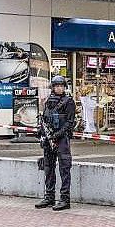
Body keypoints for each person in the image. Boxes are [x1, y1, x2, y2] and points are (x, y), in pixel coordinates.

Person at [35, 75, 75, 211]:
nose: (59, 88)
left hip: (61, 140)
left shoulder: (68, 101)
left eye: (61, 86)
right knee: (48, 168)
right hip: (48, 139)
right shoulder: (48, 100)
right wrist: (41, 132)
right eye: (56, 86)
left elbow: (70, 123)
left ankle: (65, 199)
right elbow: (45, 119)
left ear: (64, 87)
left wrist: (57, 135)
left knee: (64, 169)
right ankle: (49, 196)